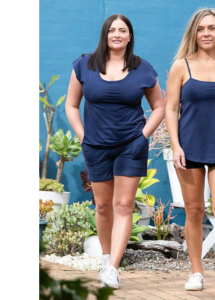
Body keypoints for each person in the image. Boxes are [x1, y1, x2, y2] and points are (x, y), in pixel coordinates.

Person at [65, 14, 165, 289]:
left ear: (130, 36)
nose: (117, 34)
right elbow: (72, 105)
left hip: (130, 146)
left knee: (123, 205)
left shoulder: (143, 69)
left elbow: (160, 106)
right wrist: (83, 136)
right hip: (96, 146)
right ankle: (105, 256)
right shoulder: (84, 66)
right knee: (103, 205)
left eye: (123, 30)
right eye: (112, 30)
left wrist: (143, 136)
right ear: (105, 35)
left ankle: (112, 268)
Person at [165, 8, 215, 291]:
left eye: (211, 28)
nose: (206, 34)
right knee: (194, 211)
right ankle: (196, 273)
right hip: (188, 148)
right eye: (201, 29)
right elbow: (171, 108)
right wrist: (175, 145)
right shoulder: (181, 66)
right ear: (194, 33)